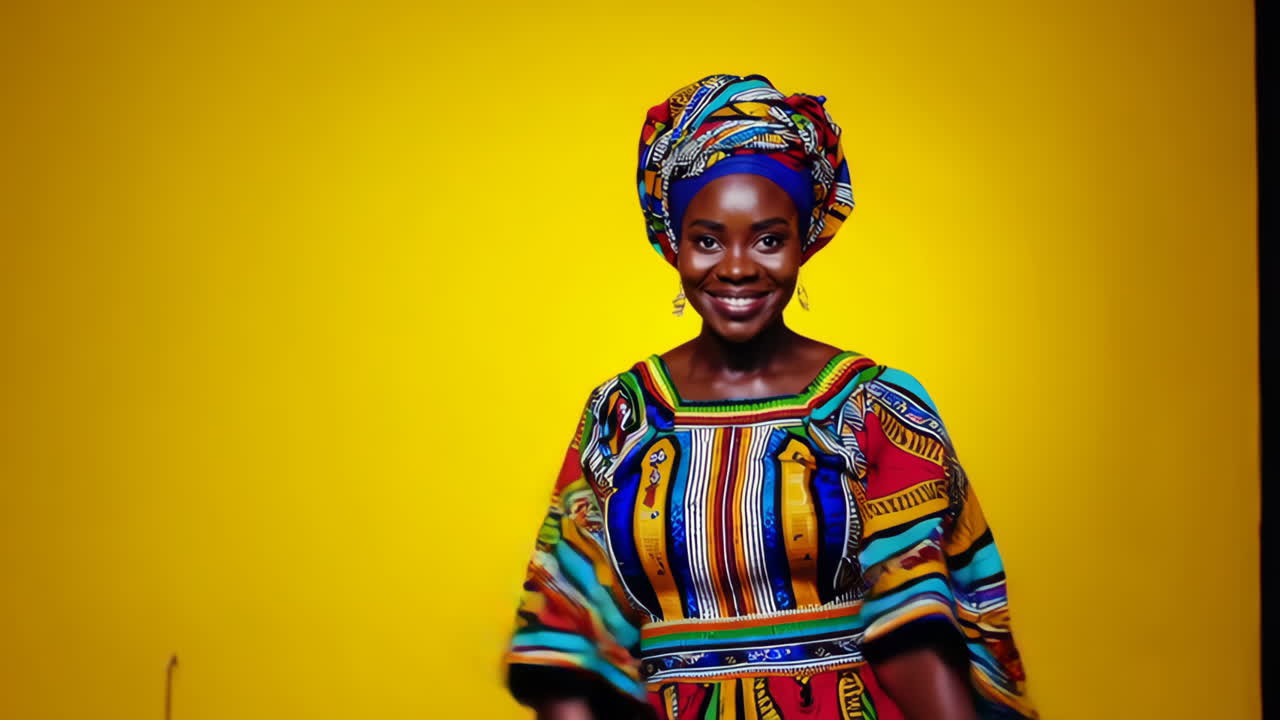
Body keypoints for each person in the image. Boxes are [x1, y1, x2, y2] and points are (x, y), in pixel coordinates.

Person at [501, 74, 1036, 720]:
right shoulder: (621, 413)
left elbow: (914, 628)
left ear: (804, 240)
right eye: (707, 239)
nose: (736, 267)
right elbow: (568, 642)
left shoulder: (874, 405)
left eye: (768, 239)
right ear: (673, 243)